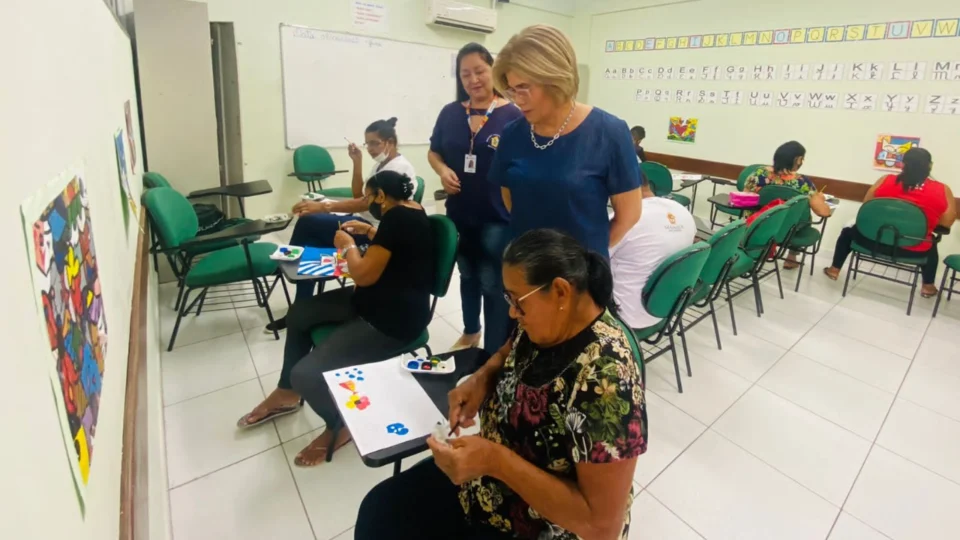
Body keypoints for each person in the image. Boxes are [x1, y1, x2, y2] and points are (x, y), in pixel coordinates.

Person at [355, 229, 647, 540]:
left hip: (540, 525)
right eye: (509, 298)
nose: (512, 311)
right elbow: (510, 350)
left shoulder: (606, 378)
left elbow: (602, 526)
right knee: (379, 509)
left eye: (518, 301)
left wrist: (495, 461)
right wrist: (482, 380)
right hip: (488, 484)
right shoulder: (548, 321)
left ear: (561, 291)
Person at [236, 171, 434, 466]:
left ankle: (339, 425)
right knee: (299, 313)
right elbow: (400, 249)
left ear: (381, 196)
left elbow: (364, 276)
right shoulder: (412, 210)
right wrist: (369, 234)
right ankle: (286, 394)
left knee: (306, 374)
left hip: (392, 322)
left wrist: (348, 246)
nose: (366, 203)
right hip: (376, 301)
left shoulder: (397, 219)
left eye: (369, 197)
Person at [490, 25, 642, 260]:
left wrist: (583, 260)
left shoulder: (609, 132)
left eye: (524, 88)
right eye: (511, 90)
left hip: (582, 277)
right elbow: (511, 199)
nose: (517, 100)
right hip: (525, 268)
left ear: (555, 78)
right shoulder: (512, 133)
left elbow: (629, 215)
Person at [267, 117, 417, 332]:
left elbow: (364, 202)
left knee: (309, 223)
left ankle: (290, 277)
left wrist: (324, 206)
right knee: (309, 240)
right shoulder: (380, 165)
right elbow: (359, 195)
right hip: (363, 221)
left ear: (390, 142)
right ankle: (301, 308)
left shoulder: (399, 168)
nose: (370, 149)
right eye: (368, 144)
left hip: (376, 233)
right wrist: (357, 163)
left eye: (375, 143)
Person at [429, 43, 523, 353]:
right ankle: (471, 332)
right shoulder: (451, 112)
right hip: (459, 212)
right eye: (465, 74)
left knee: (492, 283)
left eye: (479, 71)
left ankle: (496, 349)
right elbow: (434, 152)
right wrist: (442, 170)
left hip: (498, 216)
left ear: (493, 71)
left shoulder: (513, 114)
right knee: (467, 275)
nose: (473, 79)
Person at [824, 148, 956, 297]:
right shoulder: (942, 190)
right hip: (911, 249)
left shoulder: (885, 180)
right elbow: (946, 223)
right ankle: (928, 286)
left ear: (902, 164)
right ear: (929, 166)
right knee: (930, 243)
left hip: (870, 241)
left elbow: (867, 206)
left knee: (847, 232)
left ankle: (834, 270)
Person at [611, 178, 696, 329]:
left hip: (626, 316)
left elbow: (592, 260)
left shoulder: (621, 220)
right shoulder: (682, 211)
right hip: (669, 307)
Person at [743, 140, 831, 268]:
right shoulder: (803, 183)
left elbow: (745, 198)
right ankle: (791, 257)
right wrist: (819, 198)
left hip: (758, 225)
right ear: (798, 160)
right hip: (787, 231)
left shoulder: (759, 174)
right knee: (800, 214)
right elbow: (824, 212)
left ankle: (755, 250)